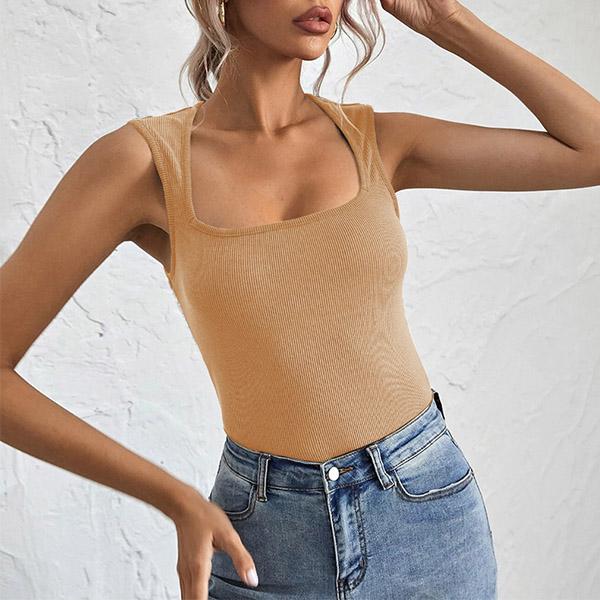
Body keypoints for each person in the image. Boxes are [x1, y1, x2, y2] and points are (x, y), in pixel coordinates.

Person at [2, 0, 599, 598]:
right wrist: (173, 497)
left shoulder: (379, 140)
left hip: (424, 514)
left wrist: (446, 22)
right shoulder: (147, 162)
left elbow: (591, 150)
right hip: (264, 538)